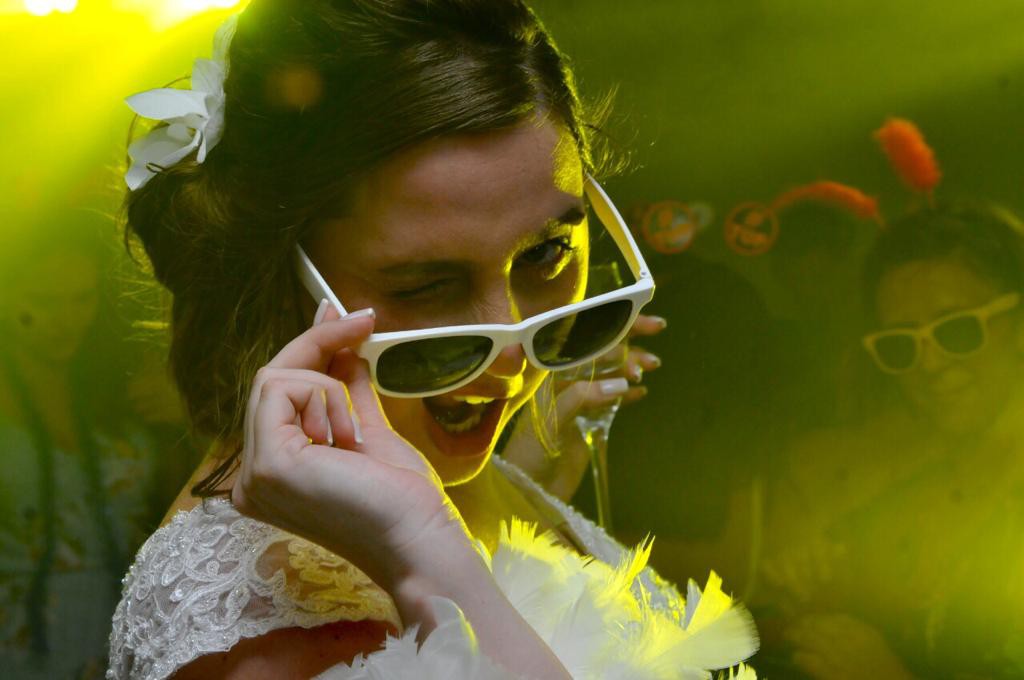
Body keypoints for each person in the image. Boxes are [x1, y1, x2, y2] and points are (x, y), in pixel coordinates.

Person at [107, 2, 759, 679]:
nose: (512, 354)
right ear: (280, 273)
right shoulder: (251, 629)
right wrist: (423, 549)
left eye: (546, 254)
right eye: (426, 285)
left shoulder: (468, 476)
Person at [760, 201, 1024, 679]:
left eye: (958, 330)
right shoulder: (922, 473)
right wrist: (826, 590)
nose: (929, 363)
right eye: (901, 344)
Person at [0, 218, 175, 679]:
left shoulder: (122, 385)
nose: (65, 320)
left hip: (121, 624)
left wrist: (186, 417)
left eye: (81, 299)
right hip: (16, 633)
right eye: (43, 301)